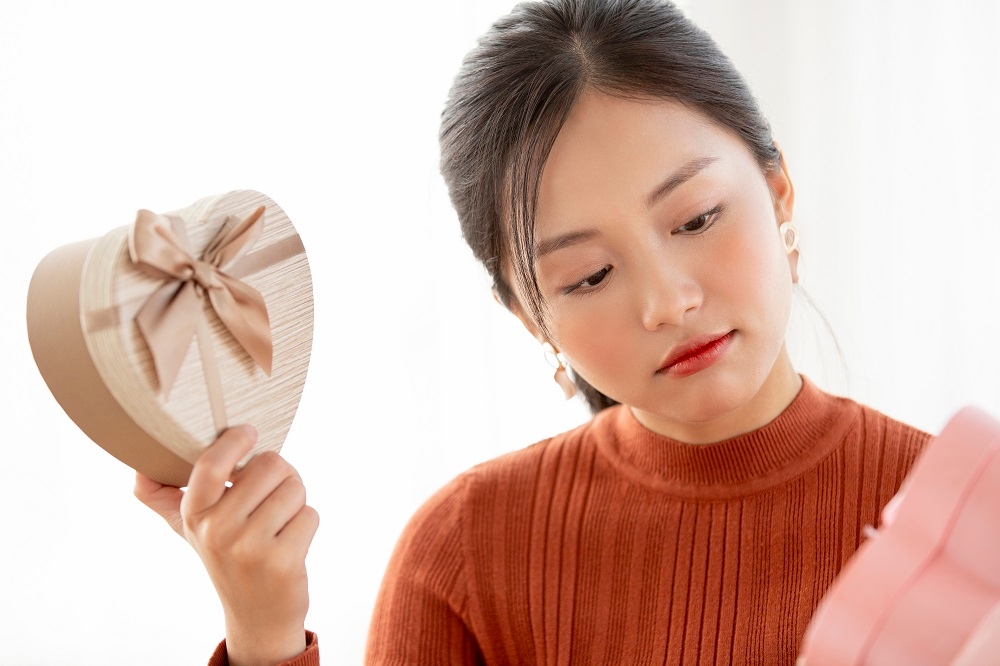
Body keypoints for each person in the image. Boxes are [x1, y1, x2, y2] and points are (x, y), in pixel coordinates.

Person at [136, 0, 930, 663]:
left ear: (779, 189)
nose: (666, 302)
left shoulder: (956, 513)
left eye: (695, 218)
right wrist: (263, 636)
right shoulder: (464, 556)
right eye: (589, 276)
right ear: (528, 317)